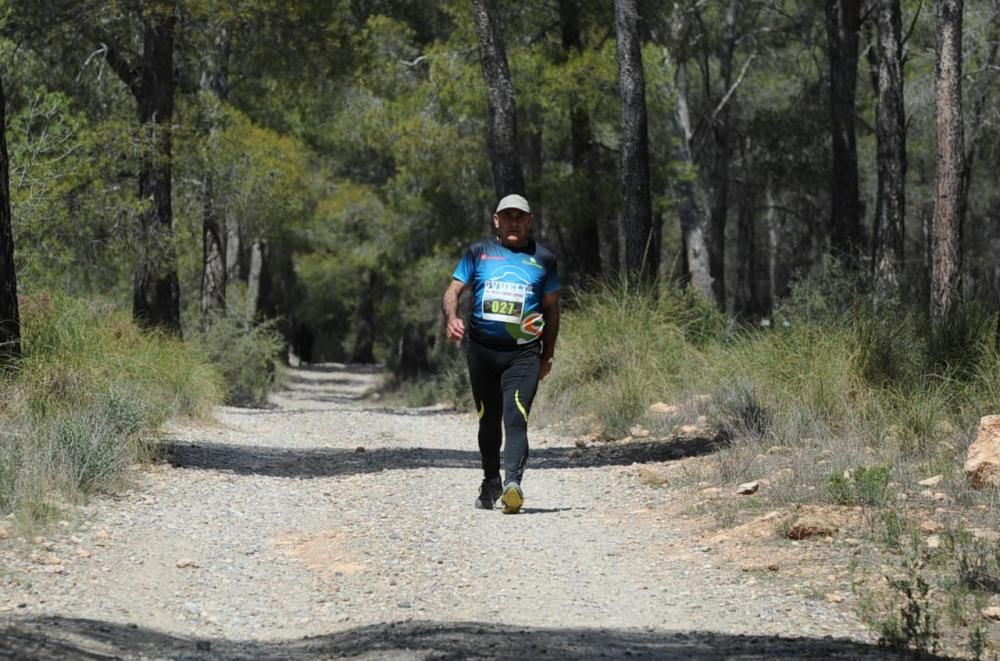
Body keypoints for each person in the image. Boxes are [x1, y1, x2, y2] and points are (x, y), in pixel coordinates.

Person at [441, 194, 560, 514]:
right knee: (488, 421)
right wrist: (452, 318)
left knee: (516, 416)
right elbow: (453, 290)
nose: (513, 222)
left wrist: (547, 354)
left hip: (523, 355)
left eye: (520, 217)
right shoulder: (478, 253)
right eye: (507, 216)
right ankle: (491, 479)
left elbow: (552, 309)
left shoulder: (544, 259)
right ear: (496, 220)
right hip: (481, 353)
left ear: (530, 221)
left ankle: (513, 485)